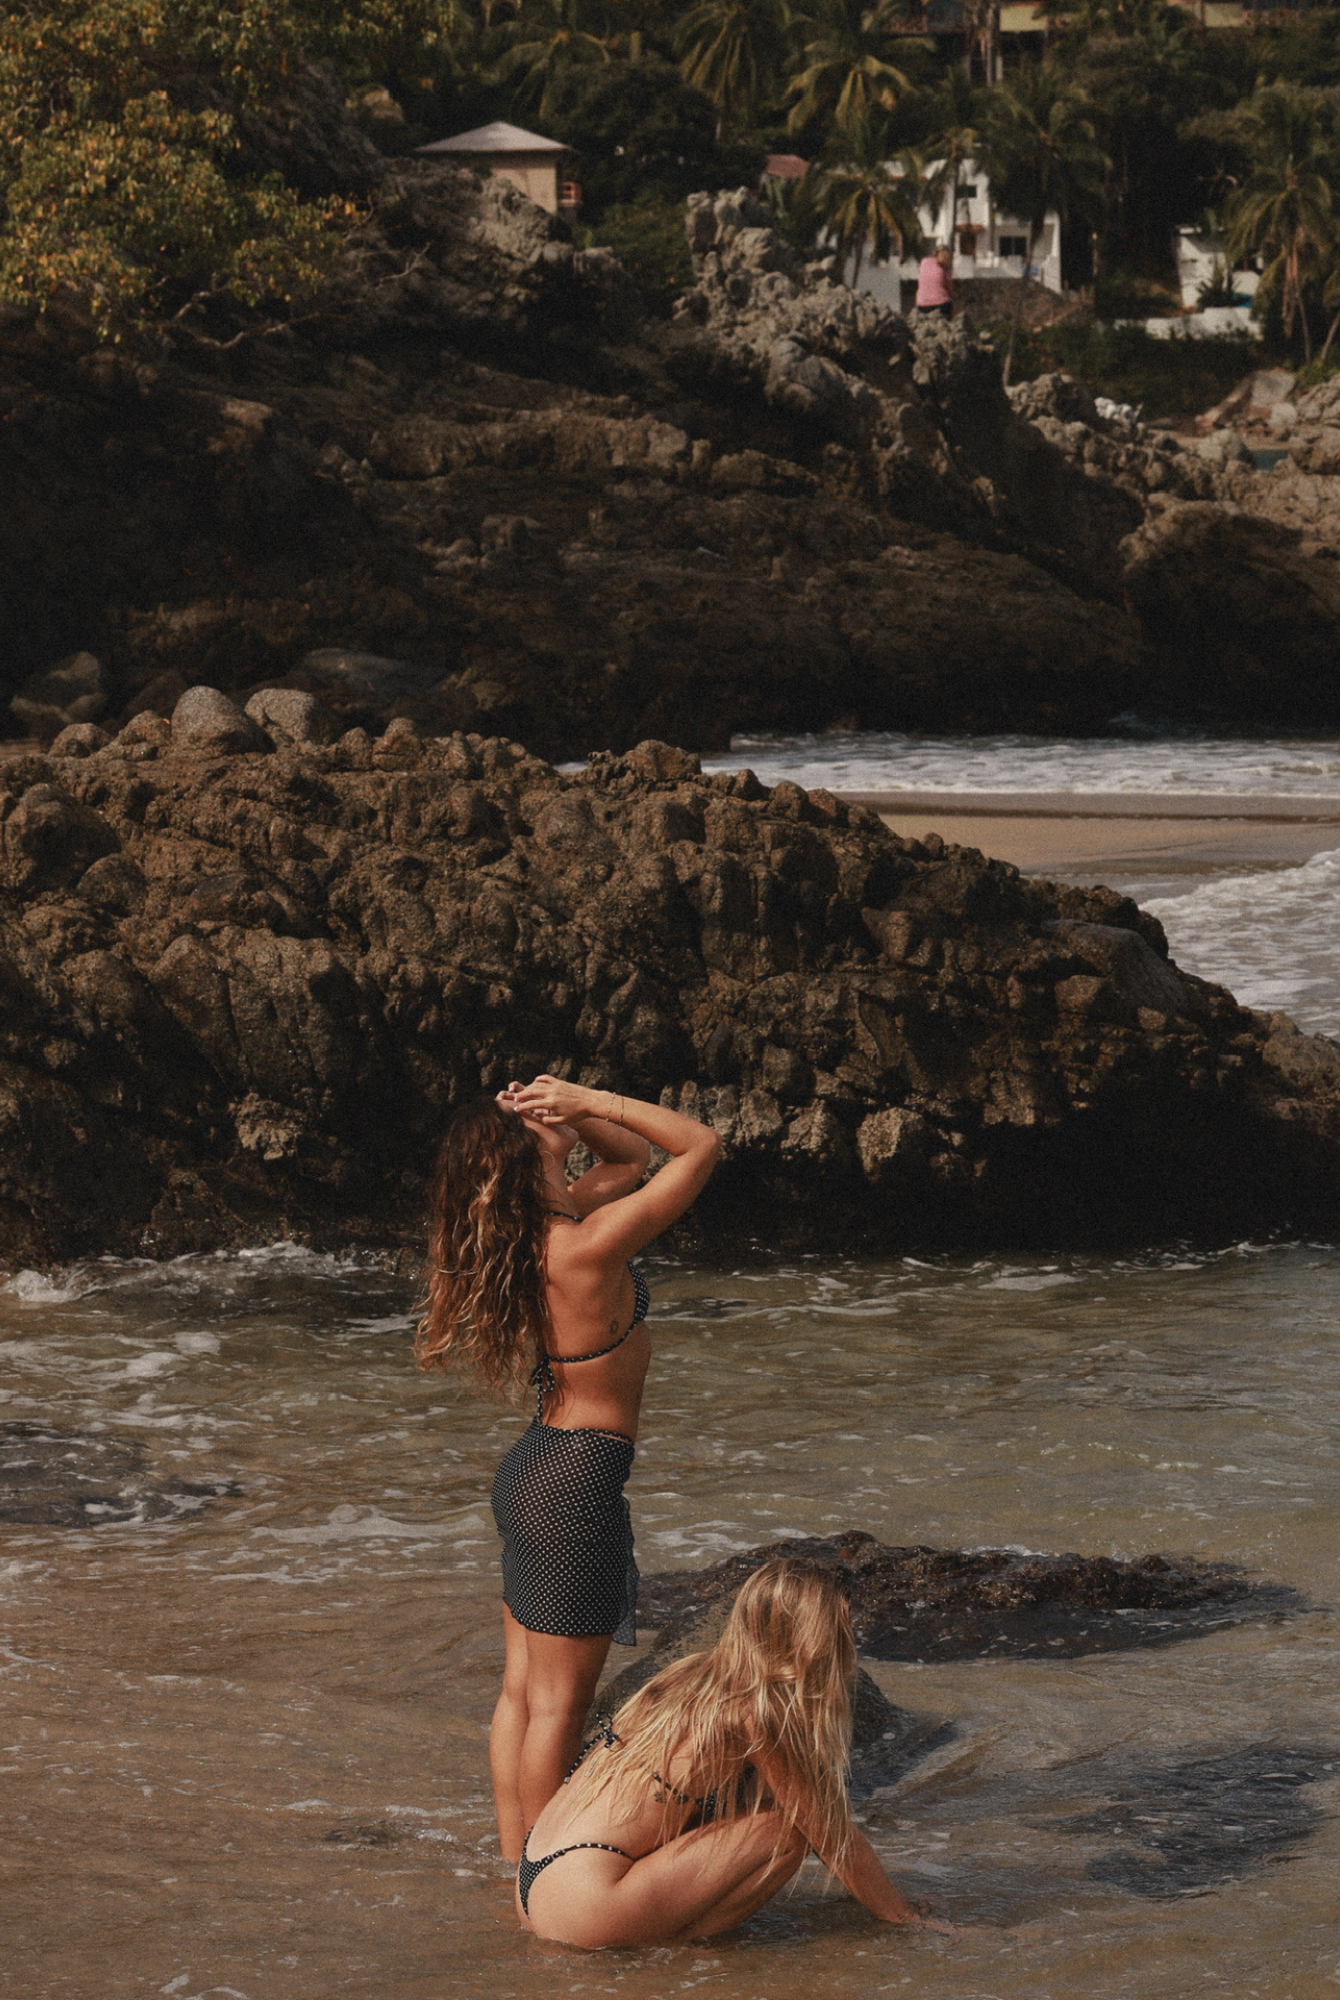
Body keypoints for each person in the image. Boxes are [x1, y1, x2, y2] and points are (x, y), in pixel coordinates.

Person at [416, 1074, 721, 1865]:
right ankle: (549, 1879)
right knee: (556, 1704)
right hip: (576, 1479)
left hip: (534, 1471)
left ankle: (519, 1870)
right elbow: (698, 1146)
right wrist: (591, 1097)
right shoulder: (585, 1244)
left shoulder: (548, 1232)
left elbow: (628, 1164)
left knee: (521, 1697)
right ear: (525, 1154)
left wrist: (576, 1112)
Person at [515, 1558, 951, 1946]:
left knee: (761, 1804)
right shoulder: (756, 1712)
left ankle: (657, 1929)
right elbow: (832, 1836)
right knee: (793, 1827)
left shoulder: (689, 1675)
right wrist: (903, 1915)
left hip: (536, 1881)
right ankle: (681, 1942)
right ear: (816, 1637)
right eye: (844, 1628)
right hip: (588, 1907)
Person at [915, 244, 954, 318]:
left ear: (935, 253)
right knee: (950, 304)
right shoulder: (946, 267)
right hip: (941, 305)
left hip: (922, 305)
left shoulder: (924, 262)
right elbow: (950, 289)